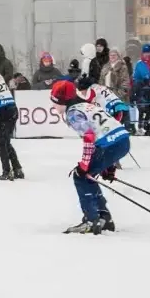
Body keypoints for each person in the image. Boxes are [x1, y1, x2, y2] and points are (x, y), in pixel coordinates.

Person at [50, 79, 130, 234]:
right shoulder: (87, 106)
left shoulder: (73, 113)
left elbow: (88, 137)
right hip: (122, 141)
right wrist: (109, 167)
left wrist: (84, 165)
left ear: (63, 101)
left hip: (109, 145)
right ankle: (104, 217)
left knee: (80, 176)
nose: (53, 106)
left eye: (55, 102)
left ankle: (91, 219)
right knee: (89, 175)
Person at [132, 45, 150, 136]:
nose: (147, 55)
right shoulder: (139, 64)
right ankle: (141, 127)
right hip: (142, 90)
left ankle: (149, 128)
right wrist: (144, 81)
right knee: (142, 109)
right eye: (145, 53)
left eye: (149, 52)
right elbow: (135, 77)